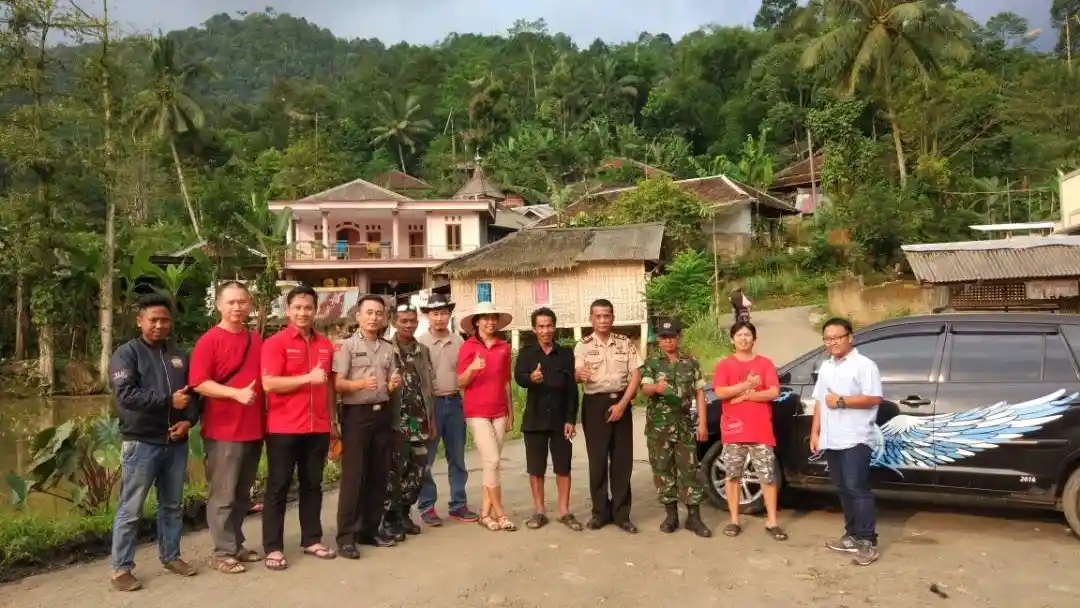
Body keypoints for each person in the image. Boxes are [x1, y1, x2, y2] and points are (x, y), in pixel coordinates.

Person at [107, 293, 200, 591]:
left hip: (175, 442)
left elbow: (193, 395)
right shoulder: (127, 354)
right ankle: (121, 569)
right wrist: (167, 400)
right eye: (153, 320)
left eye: (165, 320)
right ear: (140, 321)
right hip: (141, 443)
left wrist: (189, 421)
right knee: (130, 509)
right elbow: (126, 395)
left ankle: (171, 556)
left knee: (171, 505)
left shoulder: (179, 355)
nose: (159, 325)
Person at [190, 281, 265, 574]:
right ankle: (222, 552)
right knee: (223, 494)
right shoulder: (209, 341)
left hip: (253, 428)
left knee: (242, 493)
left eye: (242, 302)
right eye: (231, 302)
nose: (237, 308)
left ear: (250, 304)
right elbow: (199, 382)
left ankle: (236, 544)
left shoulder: (255, 339)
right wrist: (235, 393)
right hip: (223, 431)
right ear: (219, 305)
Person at [260, 285, 338, 570]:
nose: (303, 312)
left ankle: (311, 539)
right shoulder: (275, 343)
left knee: (312, 485)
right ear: (287, 310)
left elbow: (329, 385)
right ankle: (273, 547)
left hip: (317, 427)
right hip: (283, 427)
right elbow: (269, 383)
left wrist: (333, 420)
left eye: (308, 307)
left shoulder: (325, 345)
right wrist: (307, 378)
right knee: (278, 487)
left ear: (316, 310)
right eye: (297, 308)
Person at [332, 294, 402, 557]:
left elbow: (391, 381)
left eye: (378, 313)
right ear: (358, 316)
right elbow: (338, 384)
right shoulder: (346, 346)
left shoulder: (388, 348)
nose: (374, 317)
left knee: (378, 474)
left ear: (384, 318)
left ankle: (370, 529)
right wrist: (360, 384)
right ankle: (346, 536)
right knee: (353, 477)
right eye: (369, 313)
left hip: (382, 414)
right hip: (356, 415)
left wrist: (393, 385)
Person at [810, 317, 883, 566]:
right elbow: (820, 400)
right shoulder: (826, 366)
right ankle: (851, 535)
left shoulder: (865, 365)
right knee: (842, 488)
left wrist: (842, 401)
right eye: (828, 338)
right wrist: (815, 432)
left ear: (849, 337)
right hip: (832, 439)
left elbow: (874, 398)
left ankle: (867, 540)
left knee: (857, 488)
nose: (833, 342)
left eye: (837, 337)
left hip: (856, 437)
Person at [711, 321, 786, 541]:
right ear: (732, 339)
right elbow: (721, 392)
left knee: (768, 477)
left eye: (748, 335)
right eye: (739, 335)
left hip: (761, 429)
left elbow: (772, 392)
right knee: (732, 475)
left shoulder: (765, 364)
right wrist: (747, 385)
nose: (744, 338)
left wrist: (747, 397)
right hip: (734, 430)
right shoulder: (724, 365)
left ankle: (772, 521)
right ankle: (734, 520)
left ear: (754, 339)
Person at [573, 299, 643, 533]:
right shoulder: (582, 345)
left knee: (622, 461)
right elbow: (576, 373)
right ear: (591, 319)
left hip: (621, 402)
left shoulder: (625, 343)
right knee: (598, 461)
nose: (603, 320)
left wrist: (623, 404)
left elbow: (636, 375)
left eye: (607, 316)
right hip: (595, 405)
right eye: (598, 316)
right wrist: (578, 374)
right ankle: (600, 513)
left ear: (612, 318)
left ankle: (622, 514)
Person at [640, 318, 712, 538]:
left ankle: (694, 517)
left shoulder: (691, 362)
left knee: (689, 471)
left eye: (671, 336)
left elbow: (700, 393)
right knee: (662, 472)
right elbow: (644, 389)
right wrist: (656, 387)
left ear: (678, 337)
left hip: (684, 426)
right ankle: (671, 515)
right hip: (658, 428)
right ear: (659, 339)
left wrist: (703, 422)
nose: (667, 340)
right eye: (663, 337)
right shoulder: (652, 362)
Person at [514, 307, 582, 531]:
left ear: (555, 327)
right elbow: (519, 377)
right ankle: (539, 511)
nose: (545, 330)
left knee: (563, 466)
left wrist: (571, 419)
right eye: (541, 326)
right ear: (534, 329)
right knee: (536, 467)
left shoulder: (565, 354)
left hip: (561, 419)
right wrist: (531, 378)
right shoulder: (527, 354)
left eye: (549, 325)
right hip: (535, 419)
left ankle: (564, 511)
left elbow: (573, 389)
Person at [416, 293, 480, 525]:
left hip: (455, 403)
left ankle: (458, 504)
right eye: (435, 313)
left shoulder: (459, 342)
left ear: (449, 315)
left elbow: (467, 374)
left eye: (443, 313)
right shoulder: (420, 343)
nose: (440, 318)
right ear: (427, 316)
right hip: (431, 405)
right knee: (427, 459)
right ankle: (427, 506)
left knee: (457, 457)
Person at [457, 301, 516, 531]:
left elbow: (506, 382)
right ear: (477, 322)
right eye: (485, 318)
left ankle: (484, 513)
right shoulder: (468, 347)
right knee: (492, 460)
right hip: (476, 411)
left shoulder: (504, 347)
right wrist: (472, 368)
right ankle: (500, 513)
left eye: (493, 318)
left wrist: (511, 413)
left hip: (500, 411)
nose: (490, 322)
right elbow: (459, 381)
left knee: (492, 465)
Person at [381, 303, 435, 541]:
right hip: (395, 421)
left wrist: (431, 419)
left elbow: (428, 388)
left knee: (418, 471)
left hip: (419, 421)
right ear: (394, 322)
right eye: (404, 320)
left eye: (412, 320)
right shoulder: (385, 349)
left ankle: (405, 513)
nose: (409, 325)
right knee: (394, 471)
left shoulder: (423, 350)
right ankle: (390, 518)